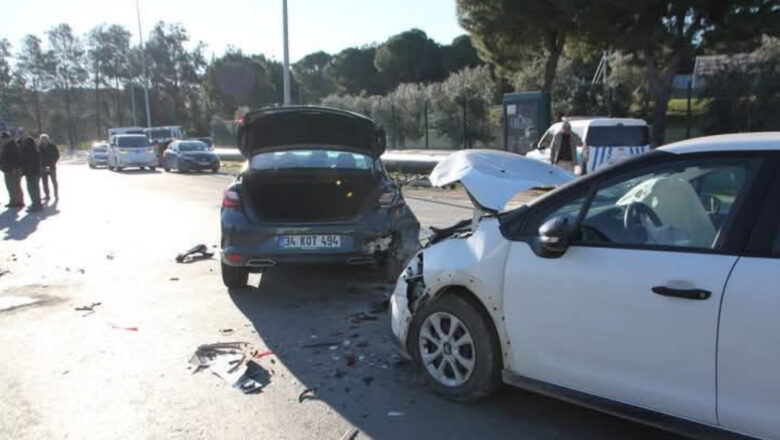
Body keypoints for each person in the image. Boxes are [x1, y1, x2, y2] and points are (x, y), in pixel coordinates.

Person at [19, 129, 43, 212]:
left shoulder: (29, 149)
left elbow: (29, 162)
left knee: (32, 189)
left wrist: (28, 171)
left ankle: (36, 205)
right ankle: (37, 204)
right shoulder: (33, 149)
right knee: (34, 188)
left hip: (32, 172)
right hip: (33, 171)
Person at [0, 131, 24, 208]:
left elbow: (16, 158)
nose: (3, 140)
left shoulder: (12, 146)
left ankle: (17, 201)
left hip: (13, 169)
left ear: (8, 138)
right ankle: (15, 201)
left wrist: (12, 167)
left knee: (14, 186)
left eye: (4, 139)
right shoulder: (7, 146)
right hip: (8, 169)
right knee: (12, 186)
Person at [38, 134, 59, 200]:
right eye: (42, 139)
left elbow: (57, 155)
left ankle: (56, 194)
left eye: (45, 139)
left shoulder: (52, 146)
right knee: (44, 182)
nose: (43, 140)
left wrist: (53, 162)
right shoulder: (39, 147)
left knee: (54, 181)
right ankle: (47, 195)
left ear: (47, 139)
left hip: (51, 166)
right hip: (42, 166)